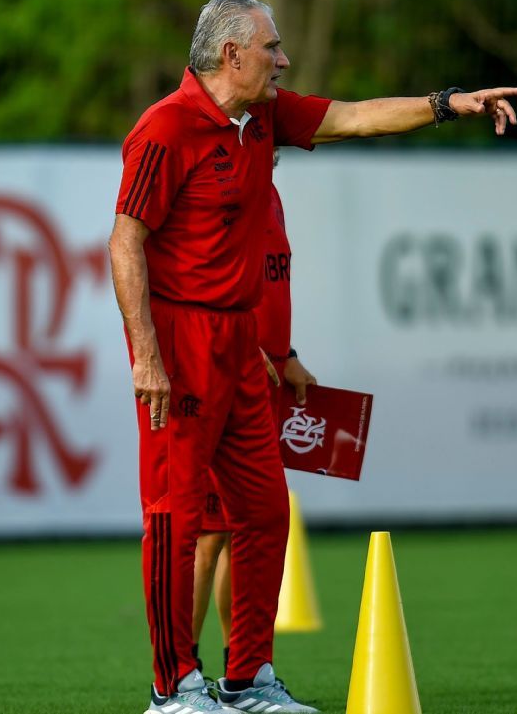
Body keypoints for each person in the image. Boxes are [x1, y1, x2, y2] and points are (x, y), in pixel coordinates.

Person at [108, 0, 517, 713]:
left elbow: (358, 116)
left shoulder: (264, 115)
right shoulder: (163, 129)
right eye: (272, 47)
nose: (284, 59)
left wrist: (447, 102)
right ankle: (171, 686)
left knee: (265, 512)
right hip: (181, 342)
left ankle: (246, 679)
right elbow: (125, 241)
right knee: (175, 516)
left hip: (241, 344)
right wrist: (146, 353)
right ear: (231, 54)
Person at [191, 148, 316, 683]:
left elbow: (268, 288)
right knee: (207, 533)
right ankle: (179, 674)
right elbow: (204, 289)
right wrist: (244, 349)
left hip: (262, 381)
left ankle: (237, 672)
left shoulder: (270, 199)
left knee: (242, 530)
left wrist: (285, 356)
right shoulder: (223, 203)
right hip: (225, 379)